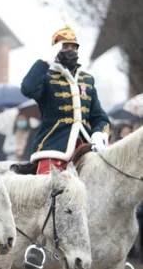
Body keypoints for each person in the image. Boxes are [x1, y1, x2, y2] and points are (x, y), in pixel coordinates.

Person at [21, 23, 110, 174]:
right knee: (46, 190)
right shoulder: (47, 77)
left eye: (73, 47)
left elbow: (99, 117)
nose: (71, 50)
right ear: (57, 50)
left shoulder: (87, 80)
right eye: (66, 47)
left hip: (84, 147)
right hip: (53, 146)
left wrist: (99, 133)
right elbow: (28, 88)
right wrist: (45, 62)